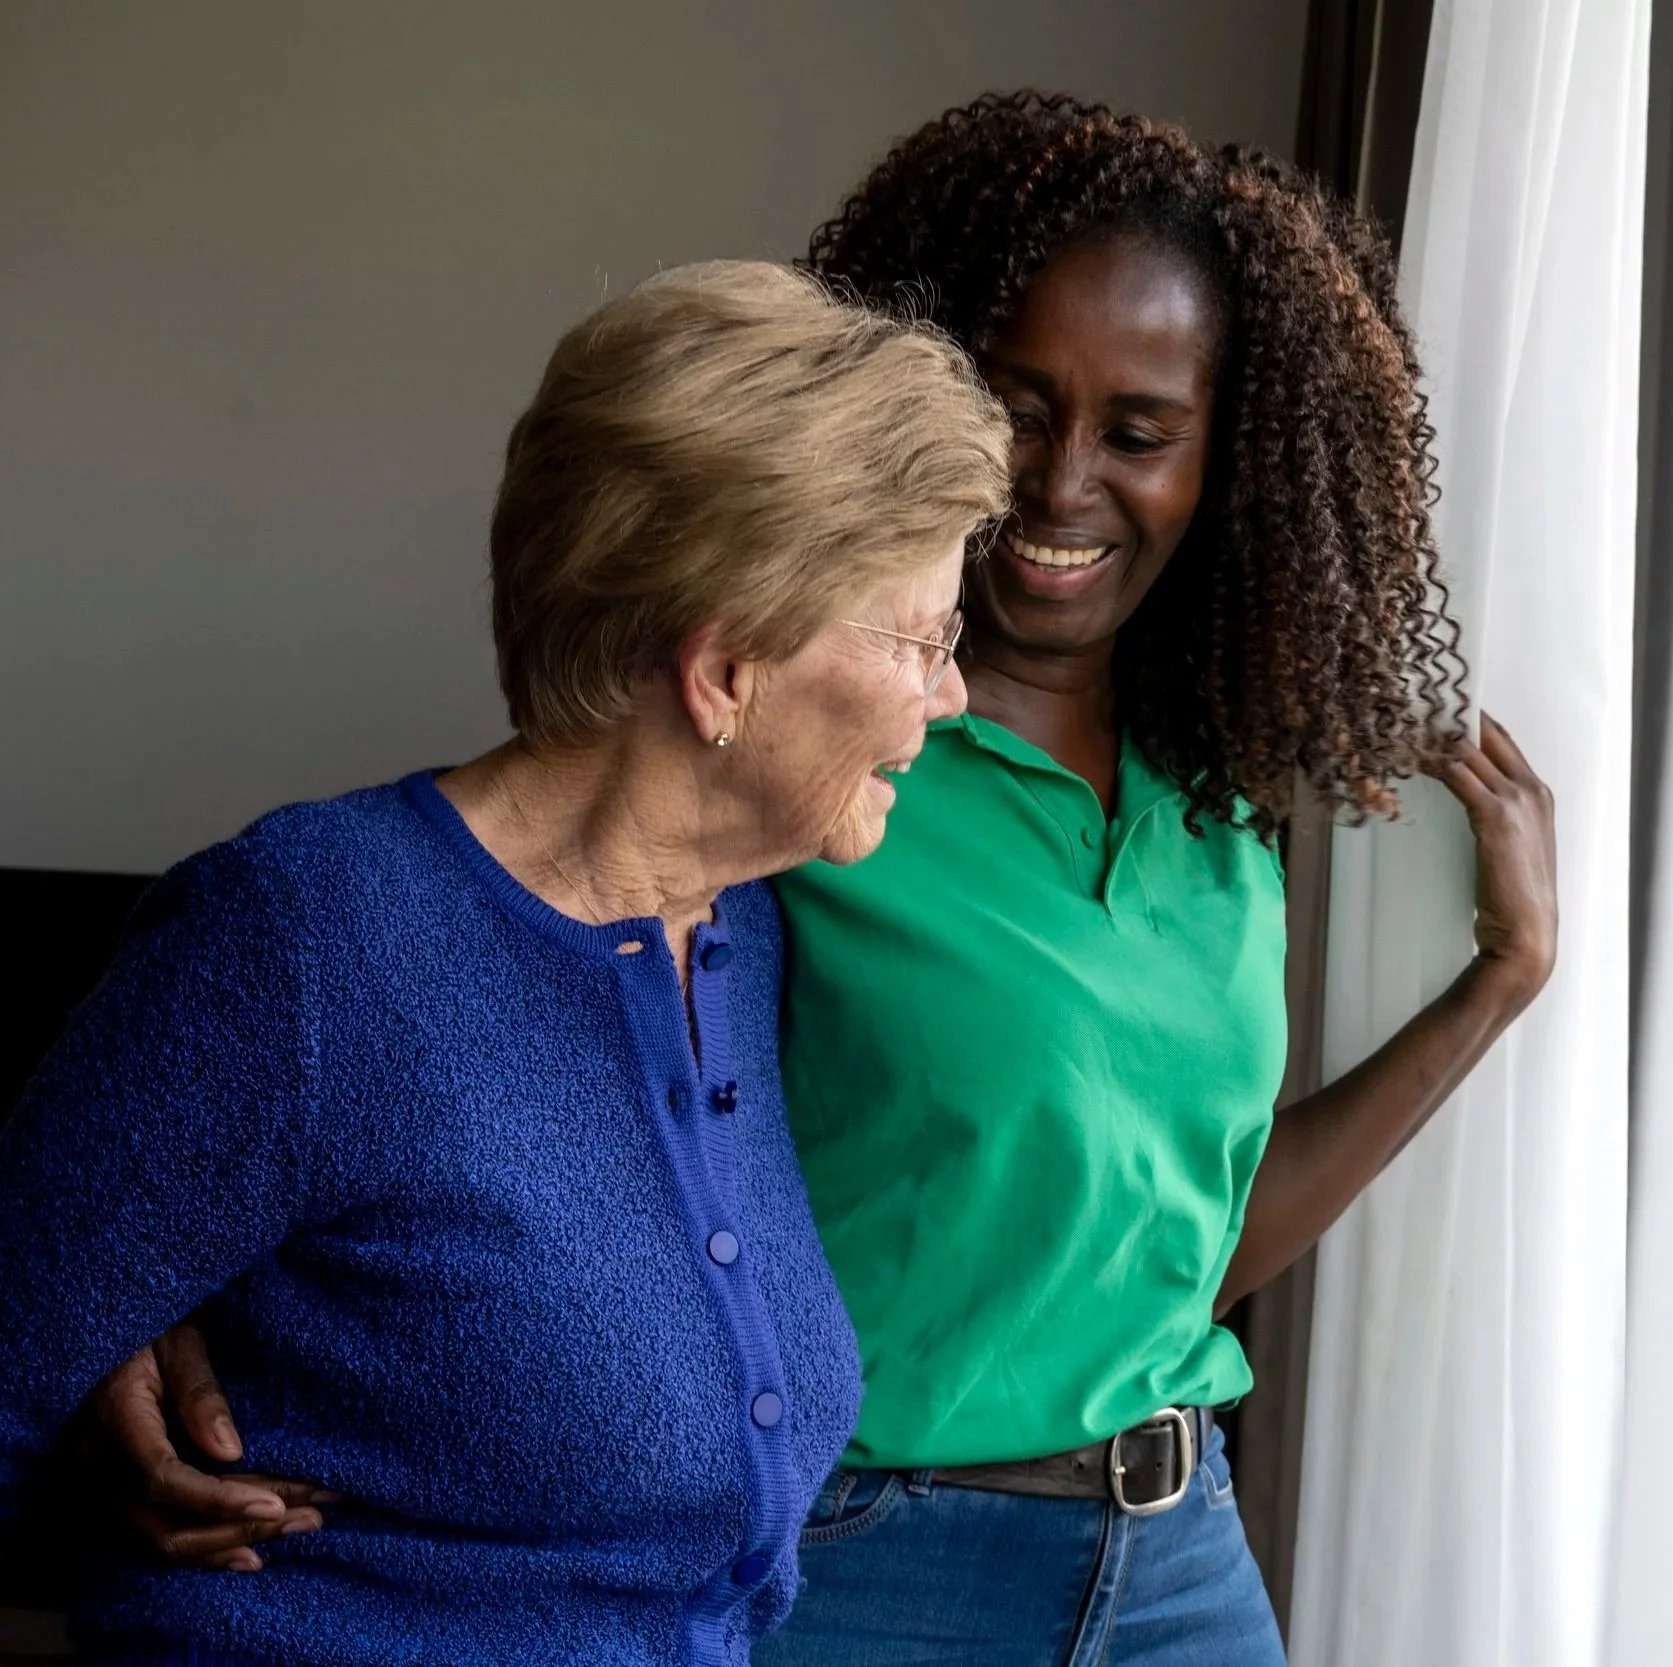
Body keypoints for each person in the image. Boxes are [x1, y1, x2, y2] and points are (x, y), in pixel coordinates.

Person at [77, 95, 1558, 1665]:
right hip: (872, 1554)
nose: (1058, 484)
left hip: (1181, 1546)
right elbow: (475, 999)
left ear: (1229, 459)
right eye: (1015, 407)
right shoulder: (818, 754)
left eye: (1139, 432)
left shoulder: (1220, 805)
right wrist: (170, 1285)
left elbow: (1165, 1248)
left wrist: (1496, 990)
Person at [0, 259, 1012, 1667]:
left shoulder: (740, 929)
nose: (952, 695)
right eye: (925, 638)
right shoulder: (305, 939)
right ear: (724, 672)